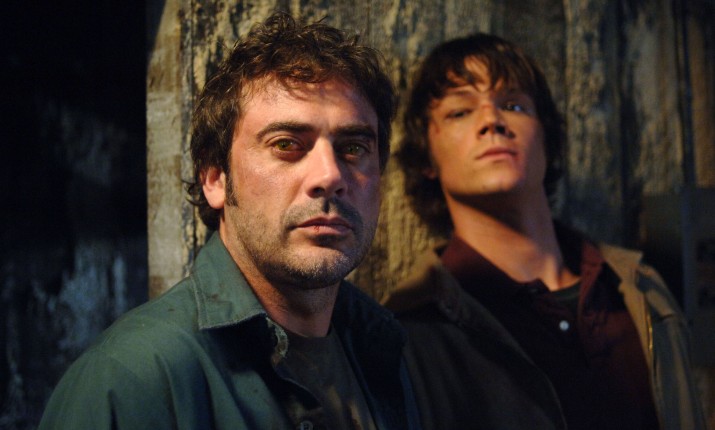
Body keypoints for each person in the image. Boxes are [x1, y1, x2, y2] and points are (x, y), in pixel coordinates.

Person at [39, 12, 420, 430]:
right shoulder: (131, 380)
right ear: (214, 178)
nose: (330, 175)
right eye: (286, 144)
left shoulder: (382, 350)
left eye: (353, 148)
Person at [382, 33, 706, 430]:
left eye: (513, 105)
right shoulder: (411, 330)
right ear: (426, 157)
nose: (492, 121)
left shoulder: (640, 288)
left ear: (547, 140)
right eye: (460, 112)